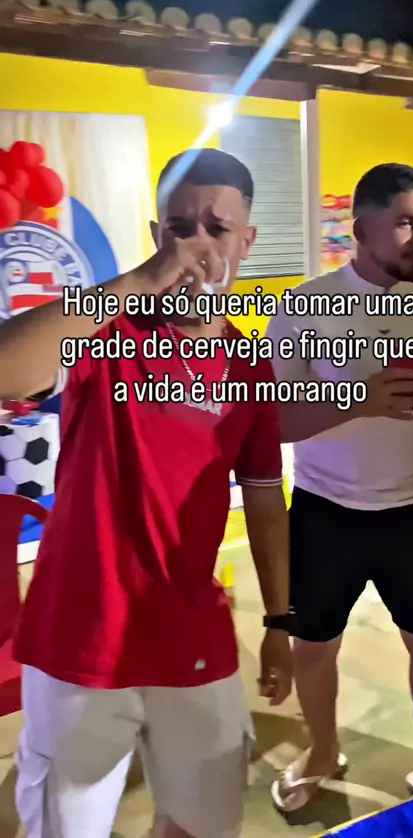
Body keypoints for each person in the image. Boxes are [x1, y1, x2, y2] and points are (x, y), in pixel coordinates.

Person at [0, 148, 292, 838]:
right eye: (178, 229)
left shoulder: (250, 366)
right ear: (156, 235)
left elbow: (265, 501)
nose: (196, 246)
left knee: (203, 824)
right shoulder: (106, 334)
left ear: (247, 241)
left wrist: (281, 622)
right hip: (79, 642)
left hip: (191, 635)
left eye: (217, 228)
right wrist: (138, 281)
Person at [266, 163, 413, 812]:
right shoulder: (304, 307)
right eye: (406, 223)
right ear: (361, 229)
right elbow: (274, 419)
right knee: (312, 649)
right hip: (323, 511)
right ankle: (322, 750)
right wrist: (359, 398)